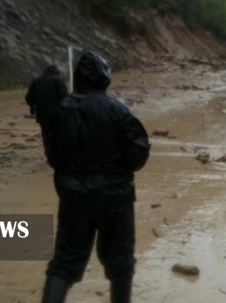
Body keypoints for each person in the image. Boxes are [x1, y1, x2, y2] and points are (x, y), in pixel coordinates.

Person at [42, 51, 151, 303]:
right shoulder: (117, 108)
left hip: (74, 198)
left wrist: (70, 177)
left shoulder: (61, 111)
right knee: (121, 262)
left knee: (64, 263)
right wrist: (120, 172)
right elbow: (139, 151)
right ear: (105, 77)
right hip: (116, 199)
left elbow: (52, 155)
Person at [25, 64, 68, 148]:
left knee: (46, 136)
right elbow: (65, 97)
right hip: (57, 114)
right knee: (58, 135)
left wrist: (34, 106)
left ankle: (48, 154)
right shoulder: (58, 80)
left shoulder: (36, 80)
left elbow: (28, 98)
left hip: (42, 114)